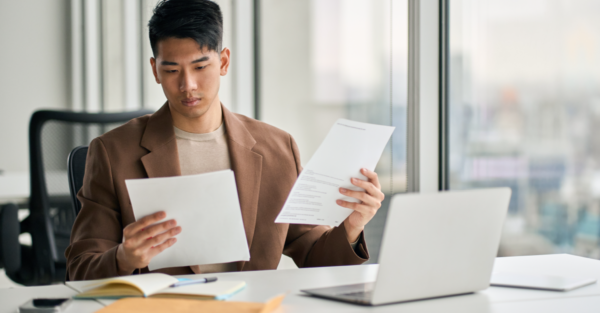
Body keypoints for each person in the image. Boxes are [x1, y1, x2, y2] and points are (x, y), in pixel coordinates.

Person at [65, 0, 385, 280]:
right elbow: (80, 268)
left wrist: (353, 225)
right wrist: (124, 258)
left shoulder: (277, 148)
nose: (187, 85)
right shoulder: (112, 152)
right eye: (172, 70)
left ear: (223, 62)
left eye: (200, 66)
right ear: (155, 70)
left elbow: (313, 255)